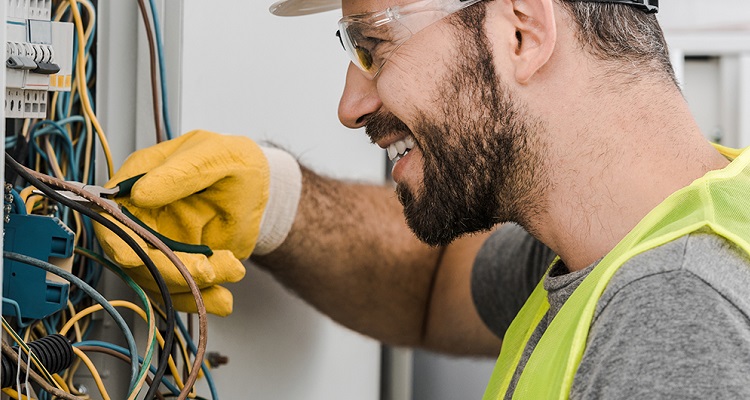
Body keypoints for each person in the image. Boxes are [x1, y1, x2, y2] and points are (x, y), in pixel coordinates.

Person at [94, 0, 750, 398]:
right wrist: (277, 203)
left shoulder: (672, 311)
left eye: (373, 46)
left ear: (522, 30)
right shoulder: (624, 238)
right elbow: (435, 284)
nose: (351, 107)